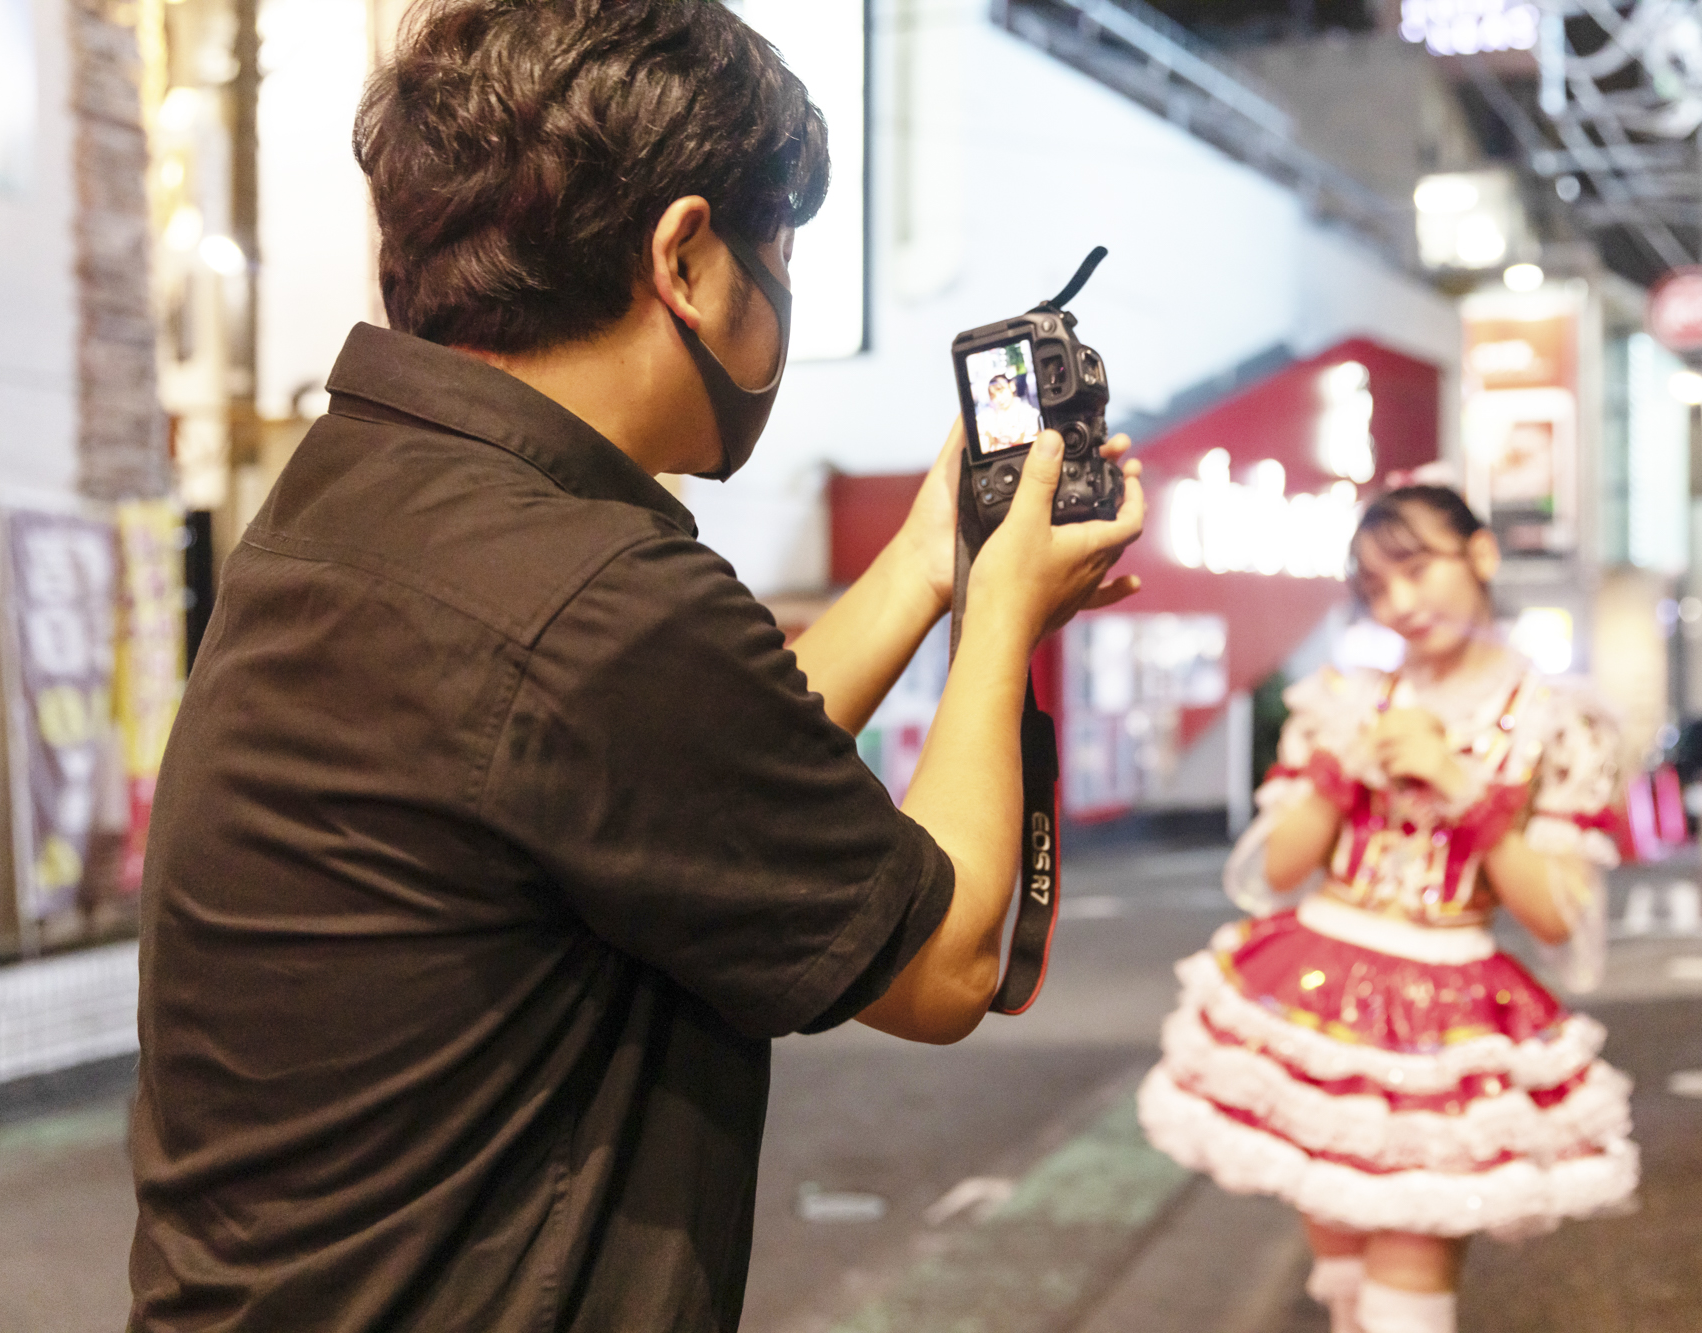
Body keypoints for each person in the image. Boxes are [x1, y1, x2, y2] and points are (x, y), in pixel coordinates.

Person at [126, 3, 1143, 1331]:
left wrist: (932, 565)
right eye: (778, 249)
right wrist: (1002, 620)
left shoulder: (374, 492)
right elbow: (946, 962)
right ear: (688, 254)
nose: (779, 293)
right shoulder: (595, 595)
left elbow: (662, 771)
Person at [1137, 486, 1637, 1333]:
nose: (1399, 603)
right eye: (1374, 587)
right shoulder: (1345, 699)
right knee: (1344, 1282)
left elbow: (1558, 917)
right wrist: (1341, 774)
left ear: (1481, 554)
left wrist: (1461, 787)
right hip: (1318, 997)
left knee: (1409, 1295)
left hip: (1447, 1011)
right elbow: (1275, 870)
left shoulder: (1555, 722)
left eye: (1416, 568)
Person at [977, 372, 1043, 453]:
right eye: (993, 396)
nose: (998, 398)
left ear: (1012, 386)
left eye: (1001, 391)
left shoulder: (1028, 413)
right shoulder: (988, 418)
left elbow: (1035, 442)